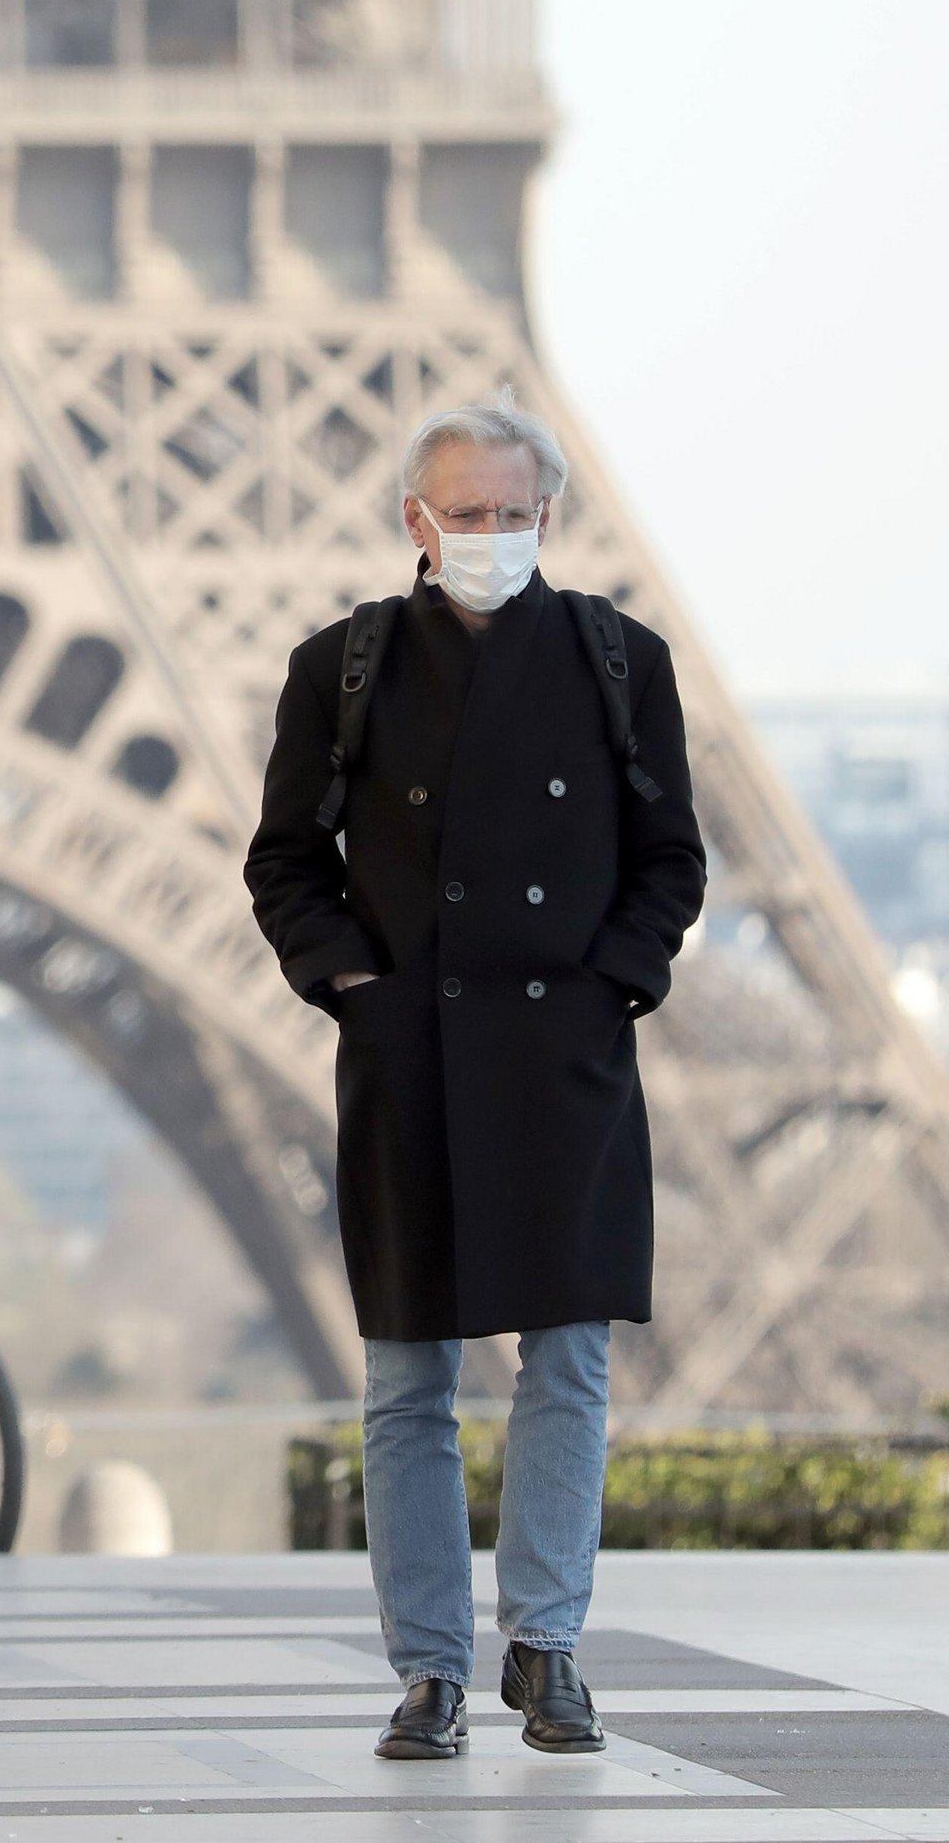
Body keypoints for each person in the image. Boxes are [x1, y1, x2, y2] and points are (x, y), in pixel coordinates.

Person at [243, 397, 705, 1763]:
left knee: (567, 1364)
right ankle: (432, 1667)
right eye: (466, 511)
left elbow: (669, 856)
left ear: (545, 516)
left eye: (512, 511)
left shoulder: (624, 661)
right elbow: (284, 860)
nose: (489, 534)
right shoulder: (343, 665)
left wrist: (612, 982)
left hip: (562, 1060)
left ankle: (547, 1645)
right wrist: (356, 987)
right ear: (415, 519)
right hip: (415, 1061)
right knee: (406, 1381)